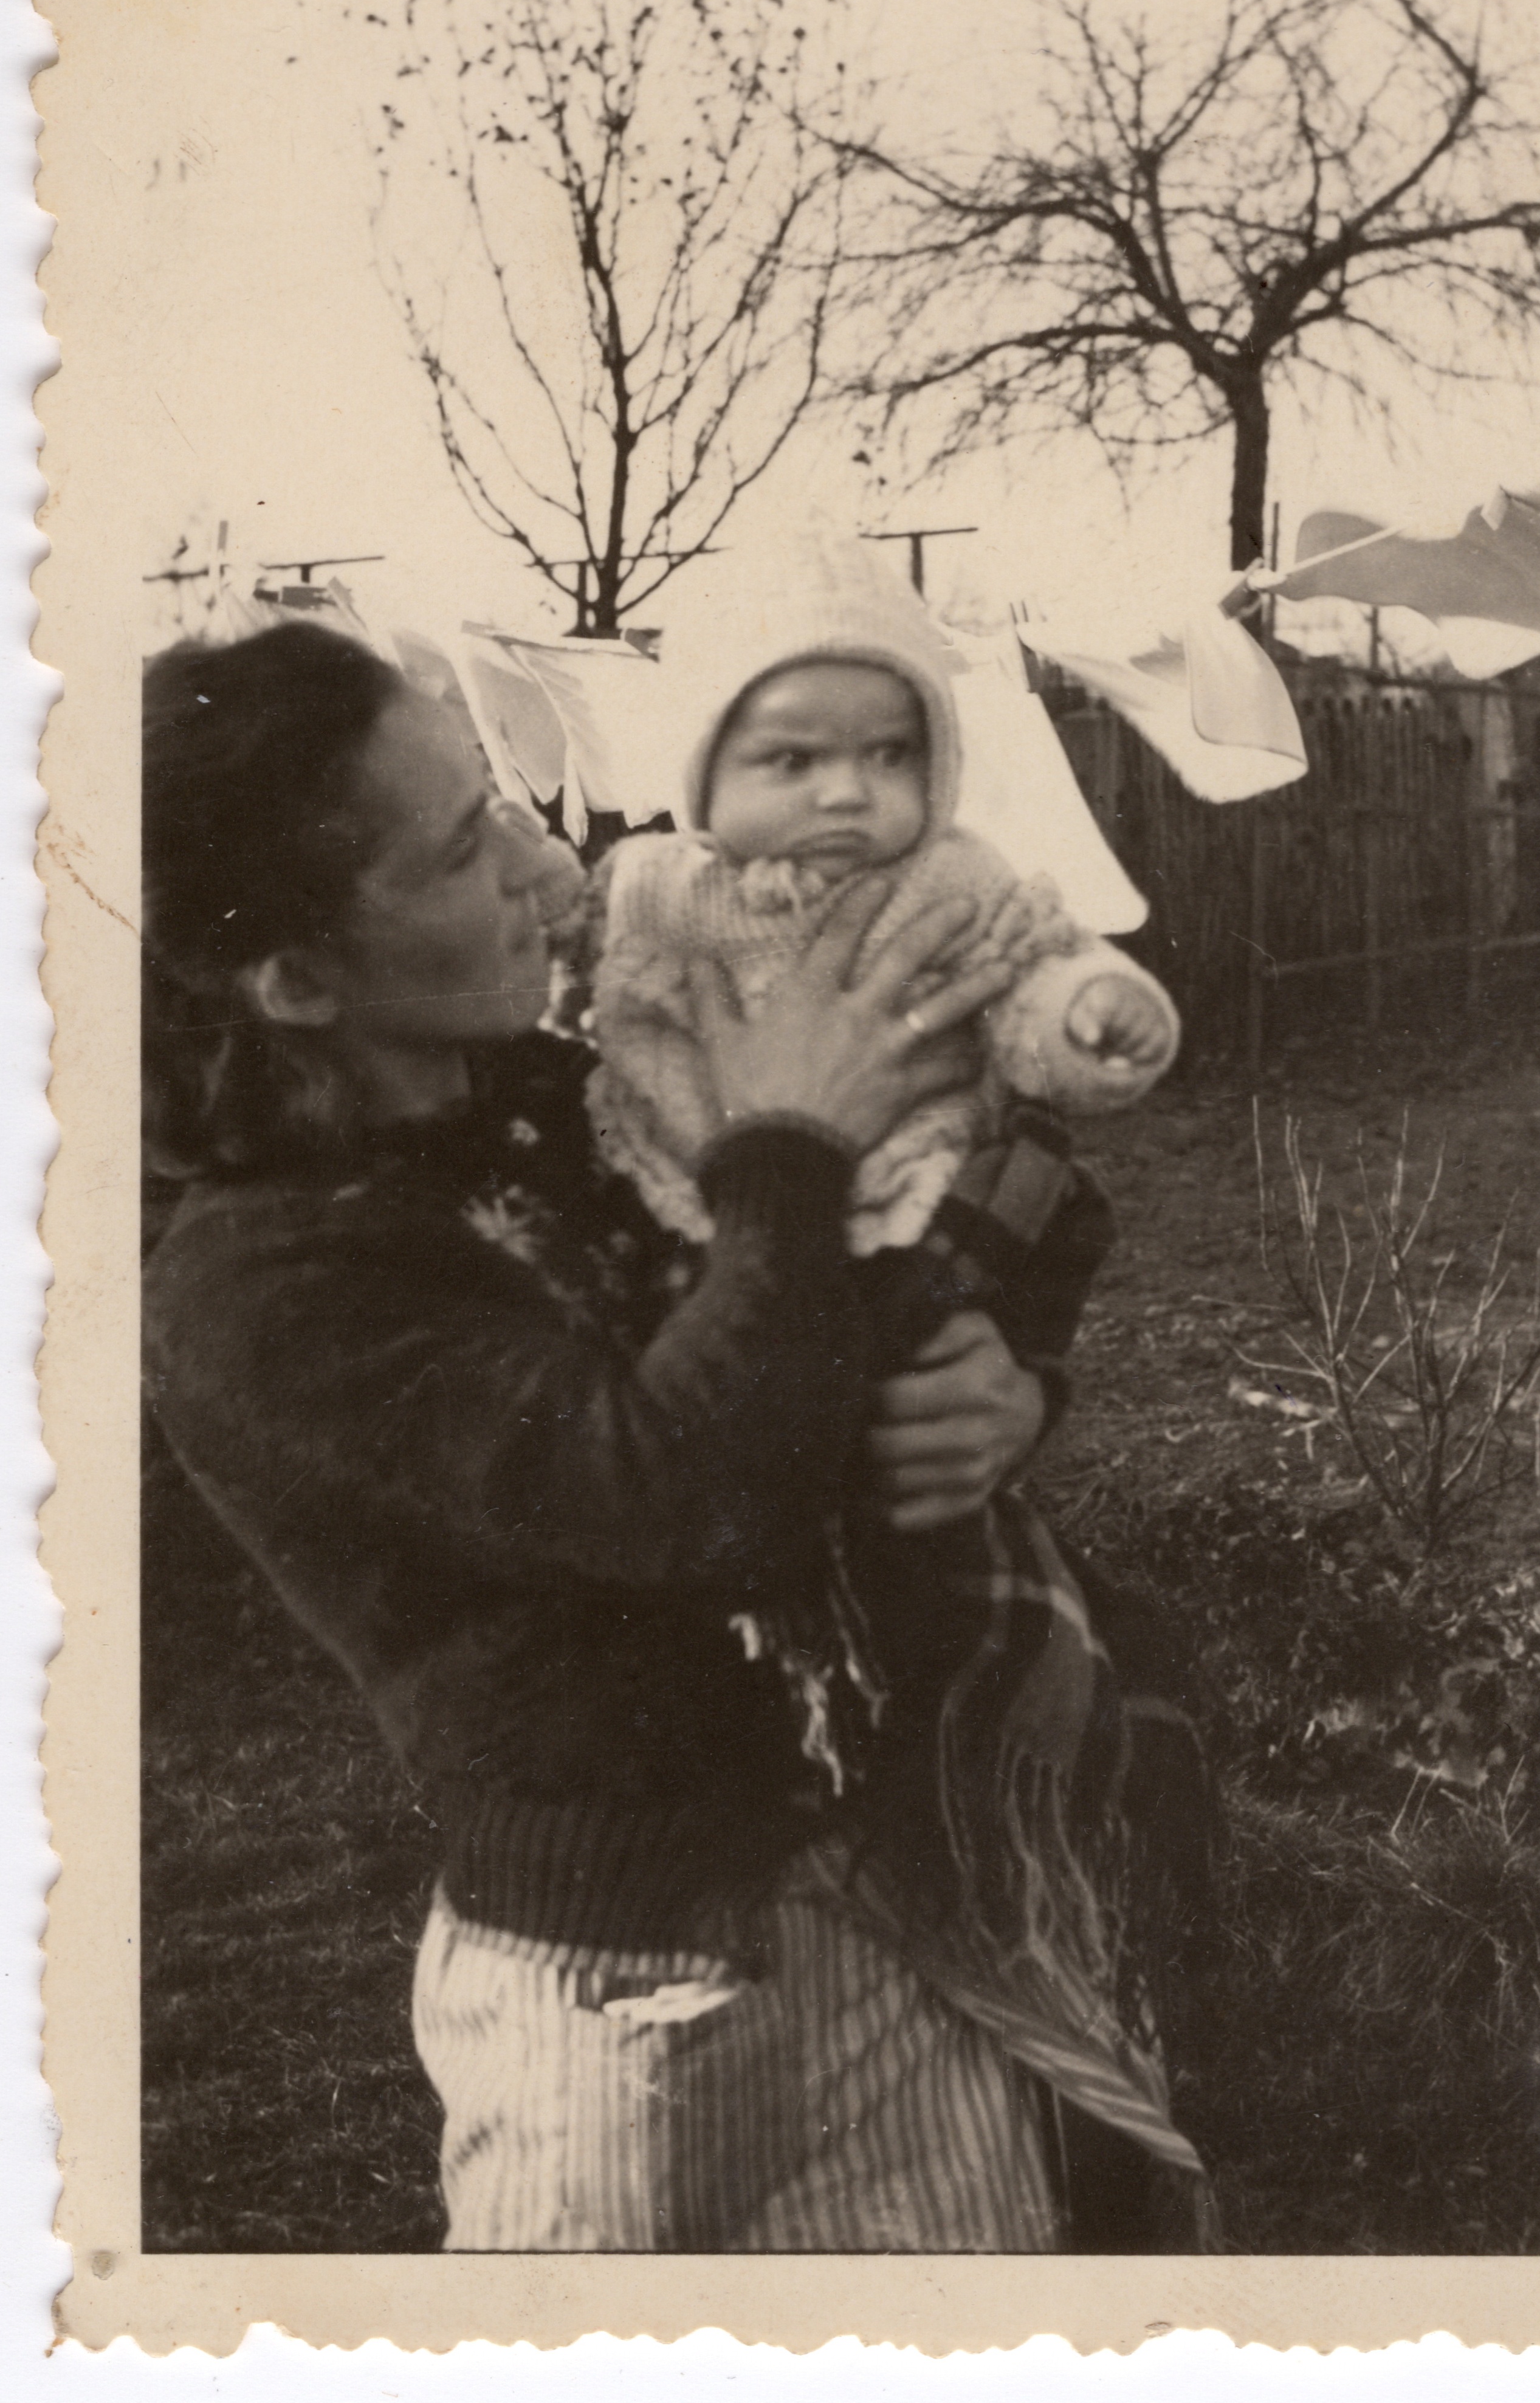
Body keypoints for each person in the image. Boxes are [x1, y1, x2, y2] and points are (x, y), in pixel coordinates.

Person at [140, 618, 1211, 2255]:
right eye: (460, 849)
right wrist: (786, 1141)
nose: (544, 869)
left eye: (503, 804)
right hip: (629, 2016)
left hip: (883, 1906)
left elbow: (985, 1200)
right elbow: (687, 1501)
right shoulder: (265, 1287)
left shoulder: (558, 1091)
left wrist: (1010, 1380)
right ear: (295, 977)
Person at [582, 535, 1181, 1258]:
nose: (846, 792)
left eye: (889, 753)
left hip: (926, 1206)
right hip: (677, 1208)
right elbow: (566, 951)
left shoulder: (951, 879)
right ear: (703, 772)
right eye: (793, 759)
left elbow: (1033, 964)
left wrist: (1084, 1008)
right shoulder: (654, 884)